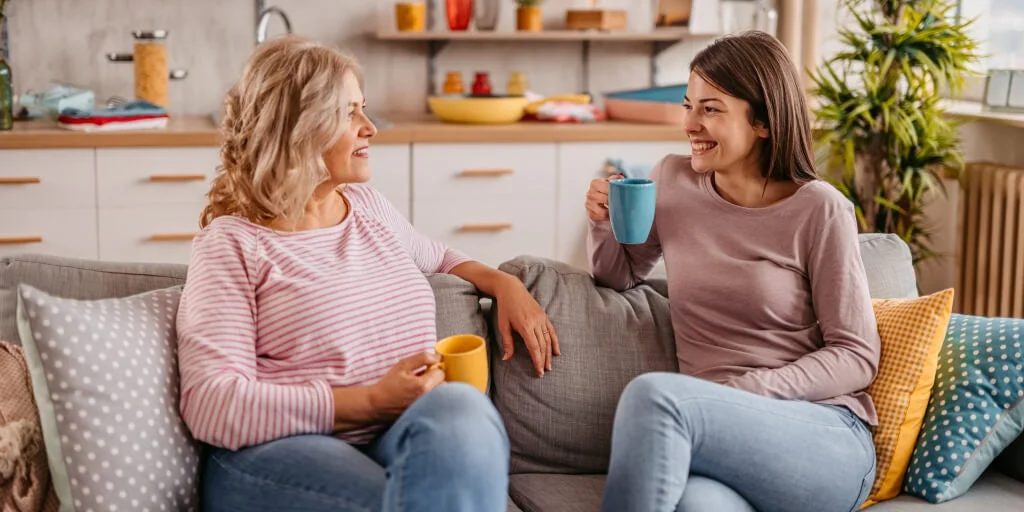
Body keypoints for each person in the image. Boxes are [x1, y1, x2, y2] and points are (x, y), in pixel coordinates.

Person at [176, 35, 560, 512]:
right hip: (278, 452)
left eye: (364, 109)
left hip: (395, 435)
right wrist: (371, 400)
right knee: (409, 500)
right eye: (349, 113)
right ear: (298, 127)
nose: (370, 128)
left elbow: (437, 255)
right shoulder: (232, 244)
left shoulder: (367, 208)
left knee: (463, 409)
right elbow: (212, 404)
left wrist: (505, 283)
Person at [585, 31, 880, 512]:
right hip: (721, 436)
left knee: (654, 397)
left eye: (711, 108)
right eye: (688, 105)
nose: (689, 124)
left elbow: (856, 354)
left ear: (763, 121)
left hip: (821, 437)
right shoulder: (673, 180)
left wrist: (741, 393)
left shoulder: (820, 209)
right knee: (695, 506)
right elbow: (621, 277)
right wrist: (602, 223)